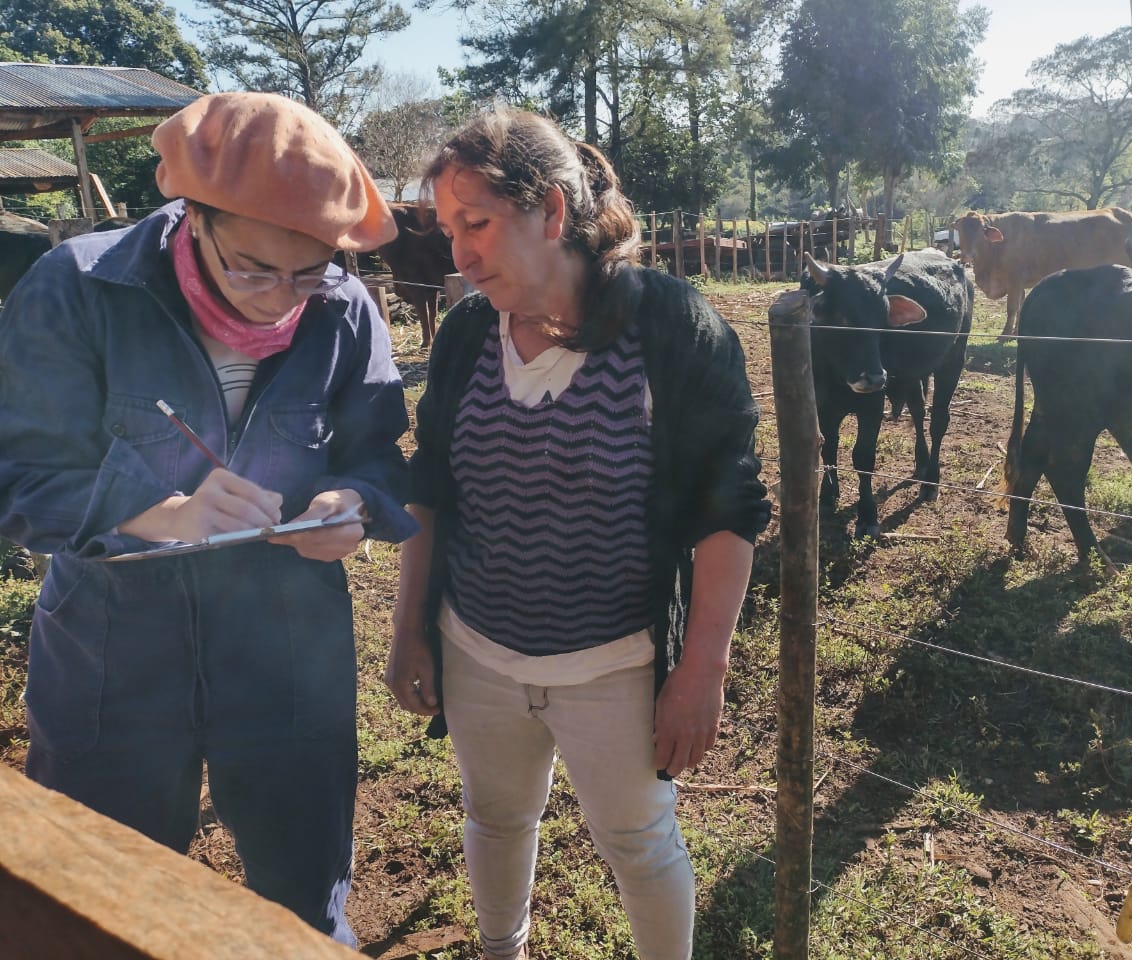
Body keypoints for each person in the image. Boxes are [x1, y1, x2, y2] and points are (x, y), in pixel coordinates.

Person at [0, 92, 419, 945]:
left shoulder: (343, 309)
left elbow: (377, 458)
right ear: (192, 219)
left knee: (302, 903)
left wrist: (352, 504)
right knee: (99, 899)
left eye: (308, 274)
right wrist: (161, 513)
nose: (279, 300)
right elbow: (19, 474)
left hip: (289, 652)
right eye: (253, 270)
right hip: (112, 652)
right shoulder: (79, 287)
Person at [385, 107, 771, 960]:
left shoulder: (669, 329)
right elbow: (430, 489)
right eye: (450, 231)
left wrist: (701, 670)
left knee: (638, 842)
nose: (459, 255)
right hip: (477, 648)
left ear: (553, 211)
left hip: (615, 662)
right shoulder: (466, 335)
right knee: (494, 816)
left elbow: (729, 508)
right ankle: (502, 950)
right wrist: (411, 626)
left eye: (477, 223)